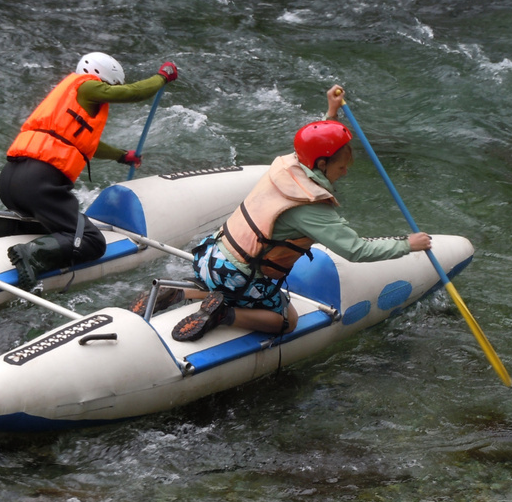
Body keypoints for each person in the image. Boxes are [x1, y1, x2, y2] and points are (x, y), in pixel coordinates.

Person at [149, 85, 431, 342]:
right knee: (286, 320)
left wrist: (331, 114)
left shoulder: (290, 165)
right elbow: (355, 250)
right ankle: (226, 315)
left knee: (230, 278)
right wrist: (408, 244)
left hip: (209, 257)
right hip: (239, 277)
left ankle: (179, 291)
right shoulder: (309, 207)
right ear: (321, 164)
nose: (346, 171)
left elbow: (314, 143)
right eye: (342, 166)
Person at [0, 52, 178, 289]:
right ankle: (30, 253)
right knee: (92, 241)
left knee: (41, 224)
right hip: (39, 184)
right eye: (112, 86)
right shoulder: (88, 87)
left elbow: (83, 143)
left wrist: (122, 155)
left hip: (10, 179)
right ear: (102, 77)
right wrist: (162, 77)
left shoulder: (67, 96)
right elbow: (134, 93)